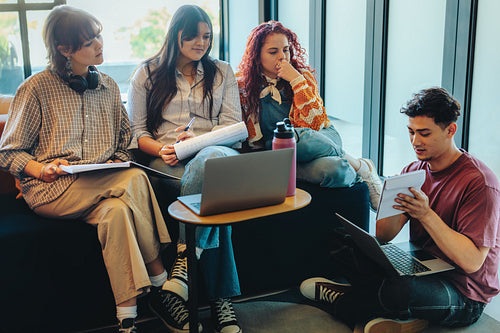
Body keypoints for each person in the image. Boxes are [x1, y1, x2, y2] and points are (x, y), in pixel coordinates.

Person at [0, 5, 181, 333]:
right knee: (135, 179)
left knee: (116, 214)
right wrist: (41, 169)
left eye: (99, 36)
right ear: (65, 49)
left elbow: (124, 140)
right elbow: (8, 152)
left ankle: (127, 319)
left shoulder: (109, 86)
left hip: (101, 185)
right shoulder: (36, 88)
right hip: (50, 190)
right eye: (89, 41)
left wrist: (114, 157)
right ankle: (163, 281)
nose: (100, 44)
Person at [300, 87, 500, 333]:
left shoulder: (479, 182)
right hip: (420, 265)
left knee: (402, 289)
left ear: (450, 130)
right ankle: (394, 312)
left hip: (462, 291)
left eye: (424, 133)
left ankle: (346, 301)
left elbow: (471, 262)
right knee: (339, 241)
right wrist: (393, 200)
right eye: (411, 132)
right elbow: (384, 236)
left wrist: (425, 215)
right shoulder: (413, 170)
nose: (416, 141)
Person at [127, 5, 242, 333]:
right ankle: (223, 302)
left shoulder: (221, 71)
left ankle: (184, 263)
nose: (201, 43)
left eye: (207, 37)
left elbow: (233, 126)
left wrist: (202, 140)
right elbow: (138, 134)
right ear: (175, 34)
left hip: (217, 153)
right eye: (192, 35)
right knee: (217, 199)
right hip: (168, 160)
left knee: (210, 164)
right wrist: (162, 148)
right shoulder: (146, 73)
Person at [237, 21, 382, 210]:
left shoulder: (302, 76)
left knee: (298, 138)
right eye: (273, 52)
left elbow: (313, 123)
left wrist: (295, 79)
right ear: (257, 56)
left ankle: (363, 170)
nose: (283, 57)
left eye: (286, 50)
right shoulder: (243, 86)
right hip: (281, 154)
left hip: (319, 137)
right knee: (334, 170)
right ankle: (360, 167)